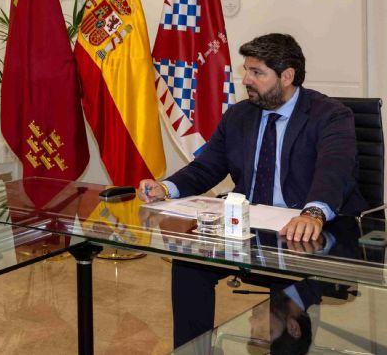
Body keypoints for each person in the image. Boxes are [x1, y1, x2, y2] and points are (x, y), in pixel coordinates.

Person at [138, 33, 367, 347]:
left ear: (287, 76)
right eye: (246, 70)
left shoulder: (329, 115)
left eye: (257, 73)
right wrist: (166, 187)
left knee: (285, 307)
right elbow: (207, 166)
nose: (246, 79)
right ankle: (193, 351)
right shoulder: (240, 116)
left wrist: (312, 213)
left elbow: (335, 170)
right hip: (251, 231)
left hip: (308, 235)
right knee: (189, 264)